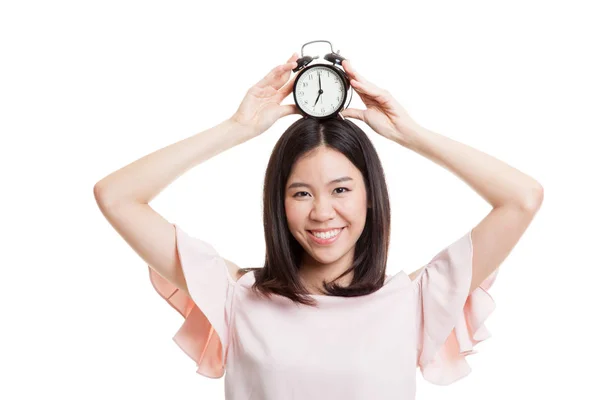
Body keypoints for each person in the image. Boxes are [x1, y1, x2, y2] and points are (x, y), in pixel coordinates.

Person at [94, 52, 544, 399]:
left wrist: (411, 134)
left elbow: (522, 199)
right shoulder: (236, 296)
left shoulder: (413, 301)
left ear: (372, 198)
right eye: (301, 193)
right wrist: (238, 127)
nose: (322, 212)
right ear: (278, 203)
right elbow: (116, 196)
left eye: (342, 190)